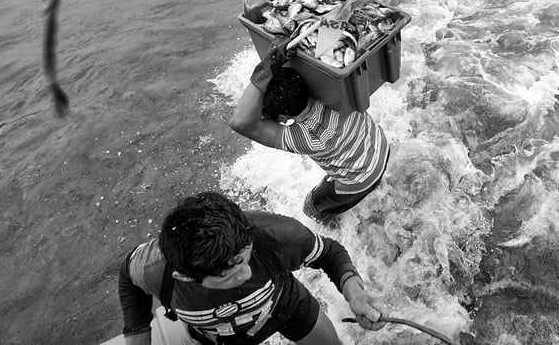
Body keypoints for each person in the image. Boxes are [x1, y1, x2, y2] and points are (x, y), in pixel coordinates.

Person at [118, 191, 387, 345]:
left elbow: (329, 253)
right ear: (184, 276)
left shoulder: (273, 233)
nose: (245, 274)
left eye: (244, 260)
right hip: (216, 339)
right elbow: (126, 278)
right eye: (229, 275)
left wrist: (355, 293)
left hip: (286, 307)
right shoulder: (153, 268)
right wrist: (138, 333)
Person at [229, 40, 390, 224]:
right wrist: (274, 62)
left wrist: (266, 67)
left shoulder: (305, 138)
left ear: (282, 117)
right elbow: (326, 40)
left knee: (310, 208)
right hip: (380, 146)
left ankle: (333, 226)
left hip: (361, 180)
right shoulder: (337, 94)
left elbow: (240, 122)